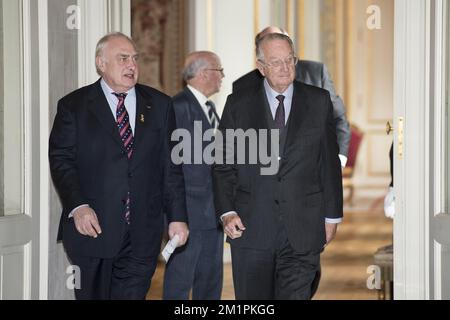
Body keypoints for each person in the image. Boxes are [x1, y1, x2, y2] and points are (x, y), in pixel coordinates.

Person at [49, 32, 189, 300]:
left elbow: (171, 167)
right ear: (101, 63)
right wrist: (78, 206)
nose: (132, 65)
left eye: (135, 59)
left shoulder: (160, 104)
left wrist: (177, 217)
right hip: (92, 231)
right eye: (123, 58)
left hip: (142, 233)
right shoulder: (74, 106)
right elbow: (61, 161)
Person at [213, 33, 343, 300]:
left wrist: (332, 216)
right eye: (276, 62)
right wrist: (227, 211)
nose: (285, 68)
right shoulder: (238, 104)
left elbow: (328, 163)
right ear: (261, 67)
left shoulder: (318, 101)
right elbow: (223, 163)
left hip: (303, 227)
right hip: (251, 228)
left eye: (289, 60)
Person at [233, 26, 350, 168]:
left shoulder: (316, 73)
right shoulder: (243, 85)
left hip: (312, 169)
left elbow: (338, 118)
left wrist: (339, 159)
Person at [163, 51, 225, 300]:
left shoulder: (209, 108)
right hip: (188, 214)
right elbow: (171, 166)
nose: (222, 76)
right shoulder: (178, 107)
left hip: (214, 213)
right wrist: (176, 216)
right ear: (203, 74)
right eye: (219, 70)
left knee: (210, 283)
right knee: (180, 282)